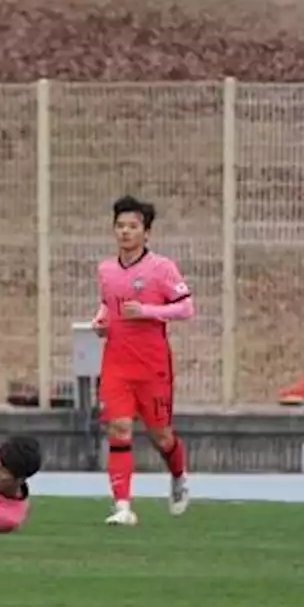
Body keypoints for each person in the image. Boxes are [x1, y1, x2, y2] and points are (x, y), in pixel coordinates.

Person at [90, 195, 194, 526]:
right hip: (116, 363)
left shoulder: (161, 268)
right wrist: (100, 321)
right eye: (120, 226)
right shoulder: (105, 269)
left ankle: (178, 476)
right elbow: (107, 305)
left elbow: (186, 307)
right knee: (119, 428)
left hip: (152, 366)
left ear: (146, 232)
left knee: (161, 435)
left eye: (132, 226)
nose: (125, 232)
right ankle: (122, 506)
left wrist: (148, 311)